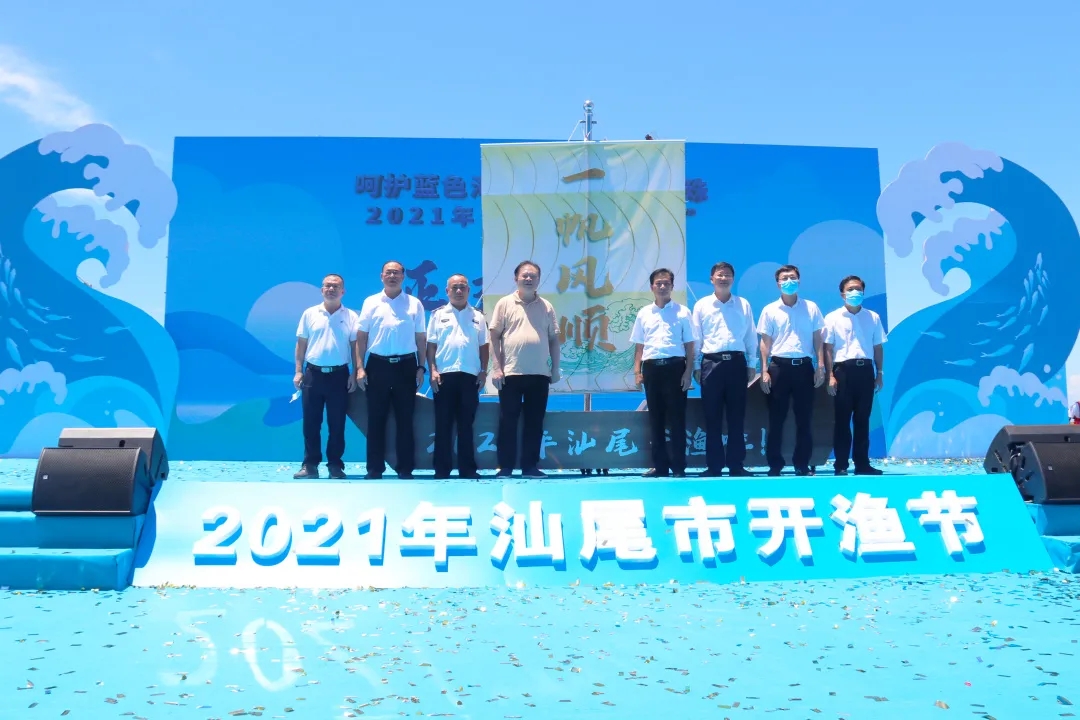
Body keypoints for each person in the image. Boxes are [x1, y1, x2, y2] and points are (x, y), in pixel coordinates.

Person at [354, 260, 427, 479]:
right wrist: (359, 367)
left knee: (405, 419)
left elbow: (420, 338)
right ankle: (374, 468)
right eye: (388, 273)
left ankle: (405, 468)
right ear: (381, 276)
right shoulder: (370, 302)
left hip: (406, 366)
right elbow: (361, 337)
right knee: (376, 419)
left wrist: (421, 366)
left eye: (396, 273)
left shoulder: (414, 303)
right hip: (377, 366)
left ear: (403, 277)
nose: (392, 276)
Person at [489, 261, 560, 479]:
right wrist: (497, 368)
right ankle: (505, 467)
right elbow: (494, 336)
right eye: (524, 275)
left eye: (533, 276)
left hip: (540, 374)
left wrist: (555, 368)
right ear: (516, 278)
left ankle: (530, 467)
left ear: (538, 279)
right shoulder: (504, 303)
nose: (528, 279)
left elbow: (554, 339)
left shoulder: (546, 306)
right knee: (507, 421)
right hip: (511, 373)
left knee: (534, 422)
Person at [758, 264, 825, 476]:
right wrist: (764, 370)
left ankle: (802, 464)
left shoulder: (811, 308)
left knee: (804, 419)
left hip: (804, 368)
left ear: (799, 280)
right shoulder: (769, 310)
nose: (789, 281)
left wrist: (820, 365)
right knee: (776, 419)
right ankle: (775, 465)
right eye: (784, 278)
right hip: (778, 368)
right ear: (777, 283)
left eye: (793, 277)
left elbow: (818, 339)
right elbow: (765, 342)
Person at [692, 262, 758, 477]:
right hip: (711, 363)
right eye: (720, 275)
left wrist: (751, 364)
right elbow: (696, 338)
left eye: (727, 275)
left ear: (733, 279)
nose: (723, 278)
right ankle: (714, 466)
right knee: (712, 417)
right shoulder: (702, 305)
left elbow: (750, 336)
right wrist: (695, 365)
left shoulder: (743, 304)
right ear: (712, 279)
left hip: (736, 363)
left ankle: (736, 465)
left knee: (736, 417)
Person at [631, 268, 697, 478]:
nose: (662, 286)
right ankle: (660, 467)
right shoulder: (644, 313)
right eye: (658, 283)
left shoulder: (683, 312)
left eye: (666, 283)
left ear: (672, 286)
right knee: (655, 419)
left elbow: (690, 345)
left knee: (677, 419)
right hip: (651, 369)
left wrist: (688, 372)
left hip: (675, 367)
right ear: (652, 287)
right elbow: (639, 345)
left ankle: (678, 467)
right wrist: (637, 371)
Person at [292, 273, 358, 479]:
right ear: (321, 290)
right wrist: (298, 371)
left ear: (343, 291)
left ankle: (335, 466)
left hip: (339, 376)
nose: (331, 289)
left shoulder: (351, 316)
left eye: (336, 286)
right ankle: (310, 465)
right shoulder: (310, 313)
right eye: (327, 286)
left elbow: (355, 347)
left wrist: (355, 373)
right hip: (313, 375)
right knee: (311, 423)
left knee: (337, 424)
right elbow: (301, 344)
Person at [426, 274, 490, 479]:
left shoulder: (478, 316)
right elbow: (431, 345)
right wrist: (432, 370)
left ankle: (467, 469)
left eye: (463, 287)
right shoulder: (438, 315)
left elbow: (484, 346)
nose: (459, 291)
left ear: (469, 291)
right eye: (455, 287)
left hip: (470, 376)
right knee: (443, 424)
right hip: (444, 376)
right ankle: (441, 469)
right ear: (447, 291)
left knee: (466, 425)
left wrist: (483, 371)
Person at [824, 275, 886, 475]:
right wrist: (830, 375)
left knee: (863, 420)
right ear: (842, 294)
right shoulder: (832, 318)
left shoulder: (872, 317)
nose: (855, 292)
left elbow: (878, 347)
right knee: (842, 421)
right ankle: (841, 465)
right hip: (843, 372)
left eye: (858, 289)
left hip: (865, 371)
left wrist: (879, 373)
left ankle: (862, 464)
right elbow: (827, 348)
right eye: (850, 289)